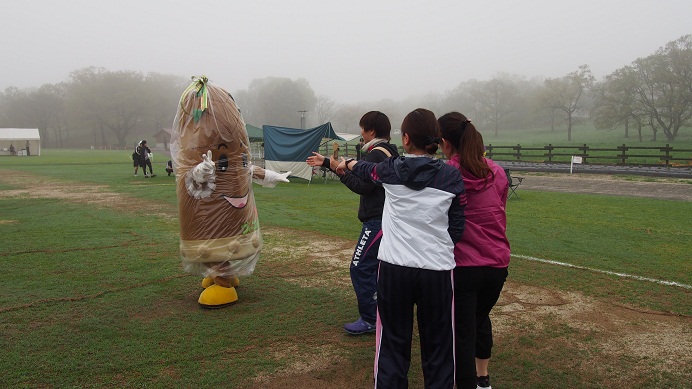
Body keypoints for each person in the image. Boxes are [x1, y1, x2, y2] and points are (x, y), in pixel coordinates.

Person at [339, 108, 466, 388]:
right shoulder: (450, 177)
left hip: (395, 270)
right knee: (439, 348)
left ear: (406, 139)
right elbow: (457, 227)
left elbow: (364, 169)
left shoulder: (390, 170)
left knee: (392, 347)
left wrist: (344, 164)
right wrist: (437, 247)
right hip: (437, 272)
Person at [306, 111, 399, 335]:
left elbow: (362, 186)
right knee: (378, 269)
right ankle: (382, 314)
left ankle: (370, 319)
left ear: (371, 131)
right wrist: (328, 162)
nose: (361, 133)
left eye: (362, 129)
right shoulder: (390, 151)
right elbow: (354, 171)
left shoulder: (376, 154)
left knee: (360, 267)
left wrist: (340, 172)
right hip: (387, 220)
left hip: (377, 221)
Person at [438, 112, 510, 389]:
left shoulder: (447, 175)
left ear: (445, 143)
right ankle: (483, 379)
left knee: (462, 331)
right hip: (497, 265)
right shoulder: (498, 172)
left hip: (464, 266)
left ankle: (464, 382)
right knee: (480, 319)